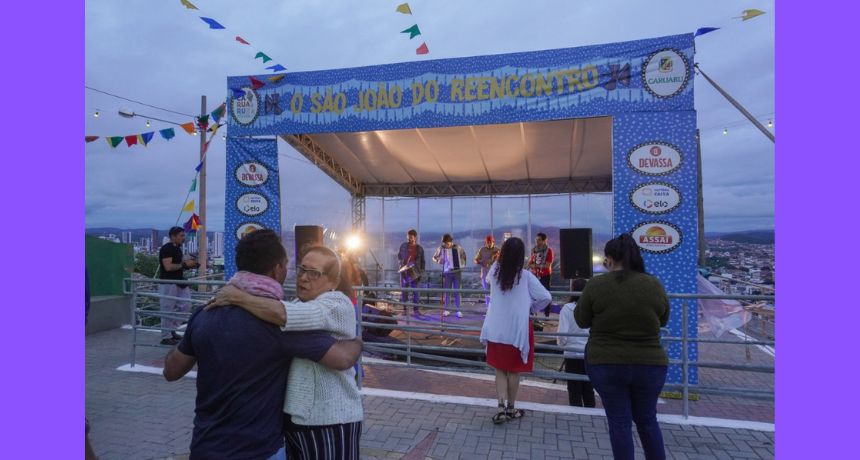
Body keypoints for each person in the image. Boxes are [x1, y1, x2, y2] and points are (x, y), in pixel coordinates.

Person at [163, 230, 362, 460]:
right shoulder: (279, 325)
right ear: (278, 269)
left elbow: (171, 370)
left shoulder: (205, 313)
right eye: (294, 267)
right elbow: (342, 358)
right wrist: (358, 340)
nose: (300, 276)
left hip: (205, 447)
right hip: (259, 450)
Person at [574, 233, 670, 460]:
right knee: (647, 421)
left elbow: (581, 319)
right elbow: (663, 320)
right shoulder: (653, 284)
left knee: (619, 422)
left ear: (608, 259)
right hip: (650, 365)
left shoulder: (596, 285)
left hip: (606, 364)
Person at [479, 237, 551, 423]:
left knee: (500, 369)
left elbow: (487, 280)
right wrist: (530, 308)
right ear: (521, 256)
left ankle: (501, 407)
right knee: (513, 371)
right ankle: (511, 408)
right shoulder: (526, 277)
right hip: (517, 330)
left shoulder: (495, 271)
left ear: (502, 252)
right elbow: (546, 297)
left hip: (495, 328)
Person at [557, 278, 595, 407]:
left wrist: (562, 346)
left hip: (572, 353)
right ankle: (591, 414)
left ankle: (576, 412)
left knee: (574, 388)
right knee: (588, 387)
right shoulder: (593, 308)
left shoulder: (567, 309)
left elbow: (562, 333)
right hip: (588, 352)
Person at [158, 226, 198, 345]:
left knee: (186, 305)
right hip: (168, 282)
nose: (183, 238)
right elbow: (168, 267)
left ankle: (172, 330)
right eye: (181, 235)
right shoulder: (167, 248)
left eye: (183, 235)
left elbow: (178, 264)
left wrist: (191, 264)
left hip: (179, 281)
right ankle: (166, 336)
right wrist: (185, 265)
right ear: (173, 237)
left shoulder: (178, 248)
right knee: (167, 309)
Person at [432, 233, 467, 317]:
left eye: (447, 243)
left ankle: (458, 310)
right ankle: (447, 310)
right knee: (447, 291)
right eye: (444, 243)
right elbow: (434, 257)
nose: (446, 245)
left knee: (457, 291)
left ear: (451, 241)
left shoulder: (458, 248)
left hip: (457, 272)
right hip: (447, 273)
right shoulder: (441, 248)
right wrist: (438, 261)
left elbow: (464, 257)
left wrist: (462, 264)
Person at [397, 229, 425, 315]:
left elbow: (422, 261)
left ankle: (416, 310)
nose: (409, 239)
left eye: (411, 237)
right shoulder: (403, 246)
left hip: (415, 272)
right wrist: (401, 265)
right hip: (405, 272)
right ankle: (405, 310)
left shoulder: (419, 248)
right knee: (404, 291)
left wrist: (421, 272)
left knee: (415, 292)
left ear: (415, 237)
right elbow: (399, 257)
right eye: (408, 237)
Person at [474, 235, 500, 308]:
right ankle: (488, 308)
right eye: (488, 242)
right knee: (486, 291)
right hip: (485, 273)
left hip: (495, 274)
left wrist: (496, 256)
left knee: (495, 291)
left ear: (493, 242)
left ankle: (495, 307)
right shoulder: (482, 250)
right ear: (485, 243)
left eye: (490, 242)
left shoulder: (497, 250)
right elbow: (476, 259)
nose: (489, 244)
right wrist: (478, 261)